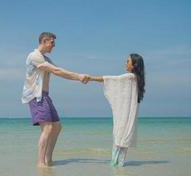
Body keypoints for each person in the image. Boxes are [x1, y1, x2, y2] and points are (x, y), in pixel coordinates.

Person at [21, 32, 89, 167]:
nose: (54, 46)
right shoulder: (34, 56)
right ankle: (41, 163)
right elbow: (57, 71)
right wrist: (78, 76)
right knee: (47, 127)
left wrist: (79, 78)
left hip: (45, 95)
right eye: (52, 43)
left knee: (57, 127)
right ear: (45, 41)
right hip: (36, 96)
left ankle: (48, 159)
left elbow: (59, 71)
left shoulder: (46, 59)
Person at [88, 53, 145, 167]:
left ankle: (115, 166)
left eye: (128, 61)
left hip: (124, 117)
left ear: (134, 65)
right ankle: (120, 166)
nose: (125, 63)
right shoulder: (137, 80)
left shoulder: (129, 77)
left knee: (118, 140)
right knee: (124, 141)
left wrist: (90, 78)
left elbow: (111, 79)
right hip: (130, 117)